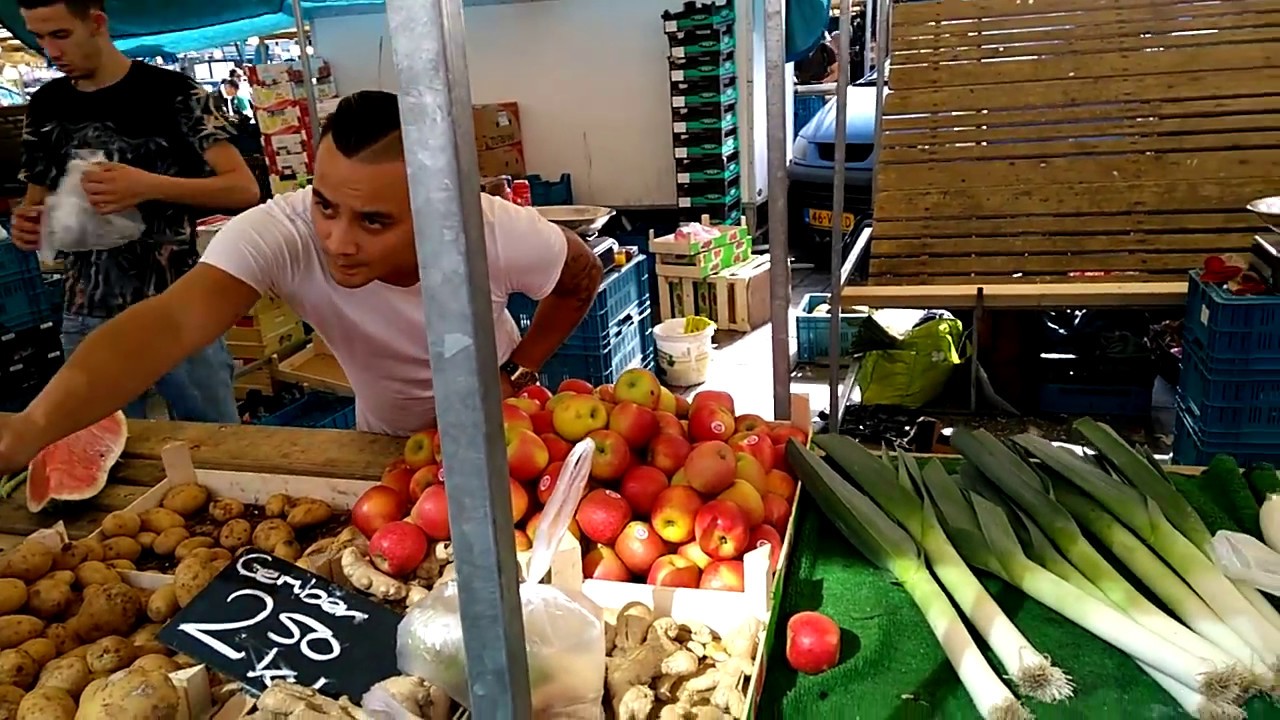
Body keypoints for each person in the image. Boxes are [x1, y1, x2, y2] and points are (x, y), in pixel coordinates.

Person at [0, 90, 603, 473]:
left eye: (374, 221)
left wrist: (516, 373)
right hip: (384, 444)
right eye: (326, 205)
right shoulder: (281, 232)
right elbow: (168, 322)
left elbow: (581, 276)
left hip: (507, 436)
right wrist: (34, 425)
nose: (338, 240)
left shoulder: (493, 230)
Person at [9, 0, 261, 424]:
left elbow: (243, 189)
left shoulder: (174, 94)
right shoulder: (47, 106)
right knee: (104, 454)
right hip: (87, 310)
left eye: (61, 34)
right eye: (40, 37)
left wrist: (147, 186)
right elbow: (35, 200)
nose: (50, 50)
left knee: (218, 443)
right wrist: (27, 223)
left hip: (178, 308)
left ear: (97, 23)